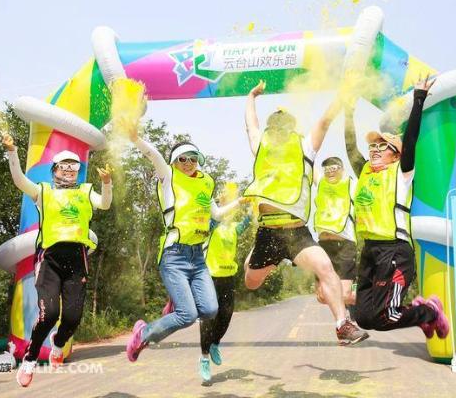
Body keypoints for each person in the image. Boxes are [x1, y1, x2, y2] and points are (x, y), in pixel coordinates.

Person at [242, 80, 368, 345]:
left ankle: (342, 324)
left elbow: (323, 122)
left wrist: (341, 95)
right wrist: (251, 96)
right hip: (268, 232)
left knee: (325, 268)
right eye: (275, 126)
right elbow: (250, 125)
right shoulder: (260, 148)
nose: (279, 130)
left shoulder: (304, 148)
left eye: (284, 126)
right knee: (251, 282)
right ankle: (256, 258)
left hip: (296, 232)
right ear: (270, 130)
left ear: (292, 129)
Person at [122, 120, 246, 364]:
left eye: (193, 158)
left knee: (210, 310)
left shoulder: (205, 183)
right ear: (174, 162)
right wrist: (136, 138)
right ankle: (143, 334)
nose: (188, 163)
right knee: (187, 315)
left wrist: (238, 203)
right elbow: (155, 155)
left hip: (197, 257)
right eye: (183, 159)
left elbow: (217, 215)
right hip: (174, 256)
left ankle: (176, 303)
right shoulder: (168, 177)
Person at [2, 134, 113, 387]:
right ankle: (30, 359)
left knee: (73, 318)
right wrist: (12, 152)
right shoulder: (43, 192)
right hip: (49, 260)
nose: (69, 170)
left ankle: (58, 344)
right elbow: (19, 180)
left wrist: (107, 183)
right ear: (55, 170)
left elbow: (104, 204)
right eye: (64, 166)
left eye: (74, 167)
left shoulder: (85, 192)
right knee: (49, 315)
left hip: (77, 261)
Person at [346, 76, 450, 339]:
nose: (375, 150)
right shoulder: (366, 175)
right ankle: (420, 313)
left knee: (385, 317)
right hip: (370, 250)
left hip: (395, 251)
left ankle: (429, 312)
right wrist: (347, 111)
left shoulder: (402, 173)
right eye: (372, 146)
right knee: (364, 318)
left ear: (396, 153)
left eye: (383, 146)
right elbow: (350, 147)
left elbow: (412, 139)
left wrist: (419, 97)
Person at [198, 189, 252, 384]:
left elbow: (248, 220)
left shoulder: (234, 228)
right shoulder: (211, 225)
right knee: (209, 319)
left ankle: (214, 344)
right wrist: (232, 203)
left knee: (226, 316)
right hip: (210, 277)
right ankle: (204, 359)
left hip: (228, 278)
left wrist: (254, 202)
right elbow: (217, 216)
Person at [313, 157, 358, 313]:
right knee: (322, 296)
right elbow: (306, 159)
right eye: (326, 169)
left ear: (342, 169)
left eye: (334, 168)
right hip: (324, 246)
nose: (330, 171)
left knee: (345, 294)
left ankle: (370, 297)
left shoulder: (352, 184)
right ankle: (344, 327)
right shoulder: (321, 183)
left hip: (345, 245)